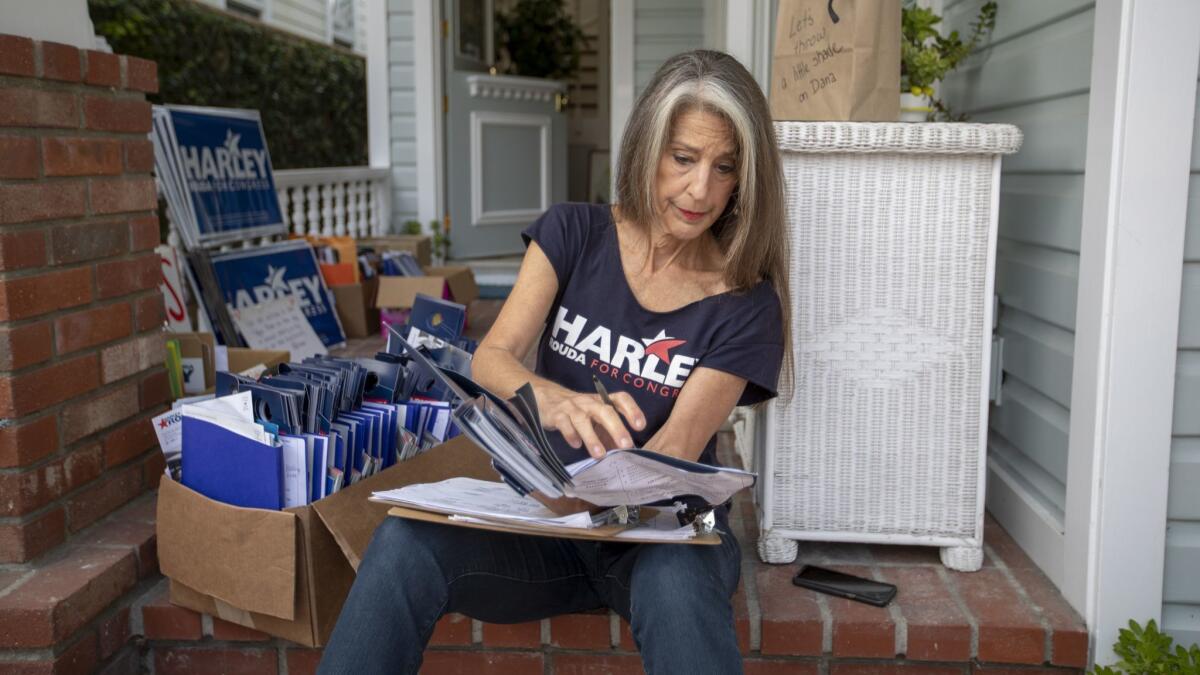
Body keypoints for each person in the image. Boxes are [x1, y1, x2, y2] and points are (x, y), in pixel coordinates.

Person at [317, 49, 792, 675]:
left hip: (660, 537)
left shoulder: (745, 303)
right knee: (405, 541)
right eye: (683, 158)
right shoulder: (574, 233)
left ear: (744, 179)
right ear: (648, 146)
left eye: (723, 167)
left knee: (677, 587)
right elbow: (494, 358)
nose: (699, 189)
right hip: (544, 528)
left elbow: (676, 449)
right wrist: (552, 399)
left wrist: (585, 495)